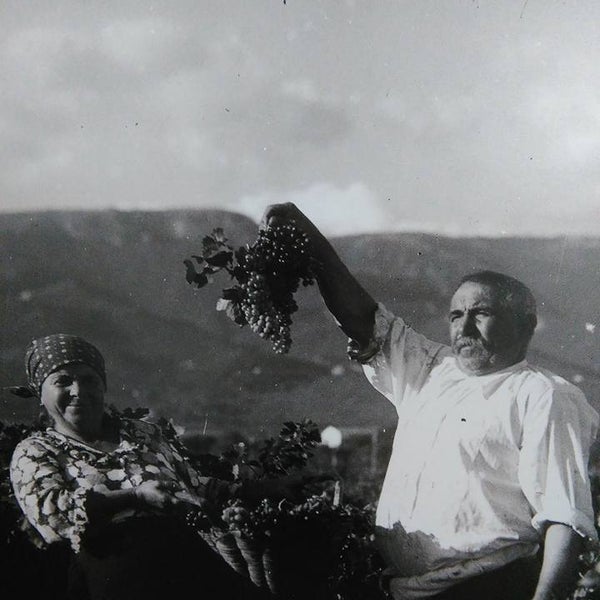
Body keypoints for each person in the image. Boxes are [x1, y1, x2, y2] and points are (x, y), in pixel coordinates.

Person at [261, 203, 599, 600]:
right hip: (404, 590)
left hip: (488, 589)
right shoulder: (432, 370)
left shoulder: (544, 395)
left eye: (482, 313)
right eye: (456, 315)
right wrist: (310, 239)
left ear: (524, 325)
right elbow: (364, 320)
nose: (465, 327)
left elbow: (564, 517)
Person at [9, 334, 305, 600]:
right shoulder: (35, 452)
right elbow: (51, 517)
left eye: (89, 380)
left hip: (187, 557)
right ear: (41, 392)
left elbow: (195, 485)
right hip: (114, 574)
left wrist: (266, 488)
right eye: (62, 381)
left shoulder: (144, 434)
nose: (78, 390)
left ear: (103, 385)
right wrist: (134, 497)